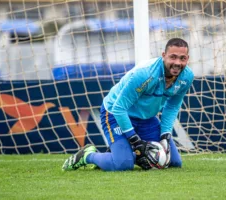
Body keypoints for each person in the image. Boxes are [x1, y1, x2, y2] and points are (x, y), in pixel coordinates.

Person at [62, 38, 194, 171]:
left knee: (174, 162)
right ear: (163, 55)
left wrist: (165, 135)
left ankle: (121, 152)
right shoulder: (145, 74)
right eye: (173, 57)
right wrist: (134, 140)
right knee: (123, 165)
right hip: (115, 113)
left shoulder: (187, 76)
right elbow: (119, 108)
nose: (177, 63)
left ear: (187, 58)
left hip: (146, 119)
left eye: (182, 58)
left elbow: (172, 106)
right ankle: (88, 155)